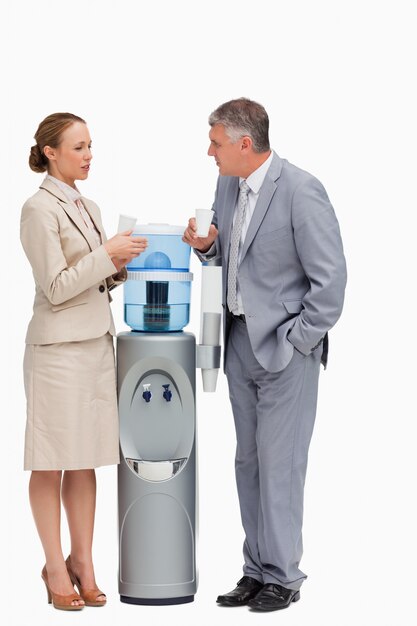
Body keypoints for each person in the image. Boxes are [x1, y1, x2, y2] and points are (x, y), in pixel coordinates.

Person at [183, 98, 347, 612]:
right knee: (248, 463)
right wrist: (207, 246)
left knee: (282, 465)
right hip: (238, 346)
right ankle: (255, 570)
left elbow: (331, 283)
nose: (209, 151)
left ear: (243, 144)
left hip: (285, 354)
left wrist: (299, 341)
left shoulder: (301, 190)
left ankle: (283, 575)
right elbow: (231, 258)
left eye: (215, 143)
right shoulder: (228, 183)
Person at [20, 112, 147, 611]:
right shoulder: (38, 209)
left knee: (86, 460)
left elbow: (91, 281)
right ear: (51, 152)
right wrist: (105, 255)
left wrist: (120, 265)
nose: (89, 154)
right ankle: (55, 567)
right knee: (52, 461)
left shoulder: (88, 206)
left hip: (96, 345)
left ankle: (84, 562)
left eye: (91, 145)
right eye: (78, 147)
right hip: (57, 353)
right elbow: (55, 288)